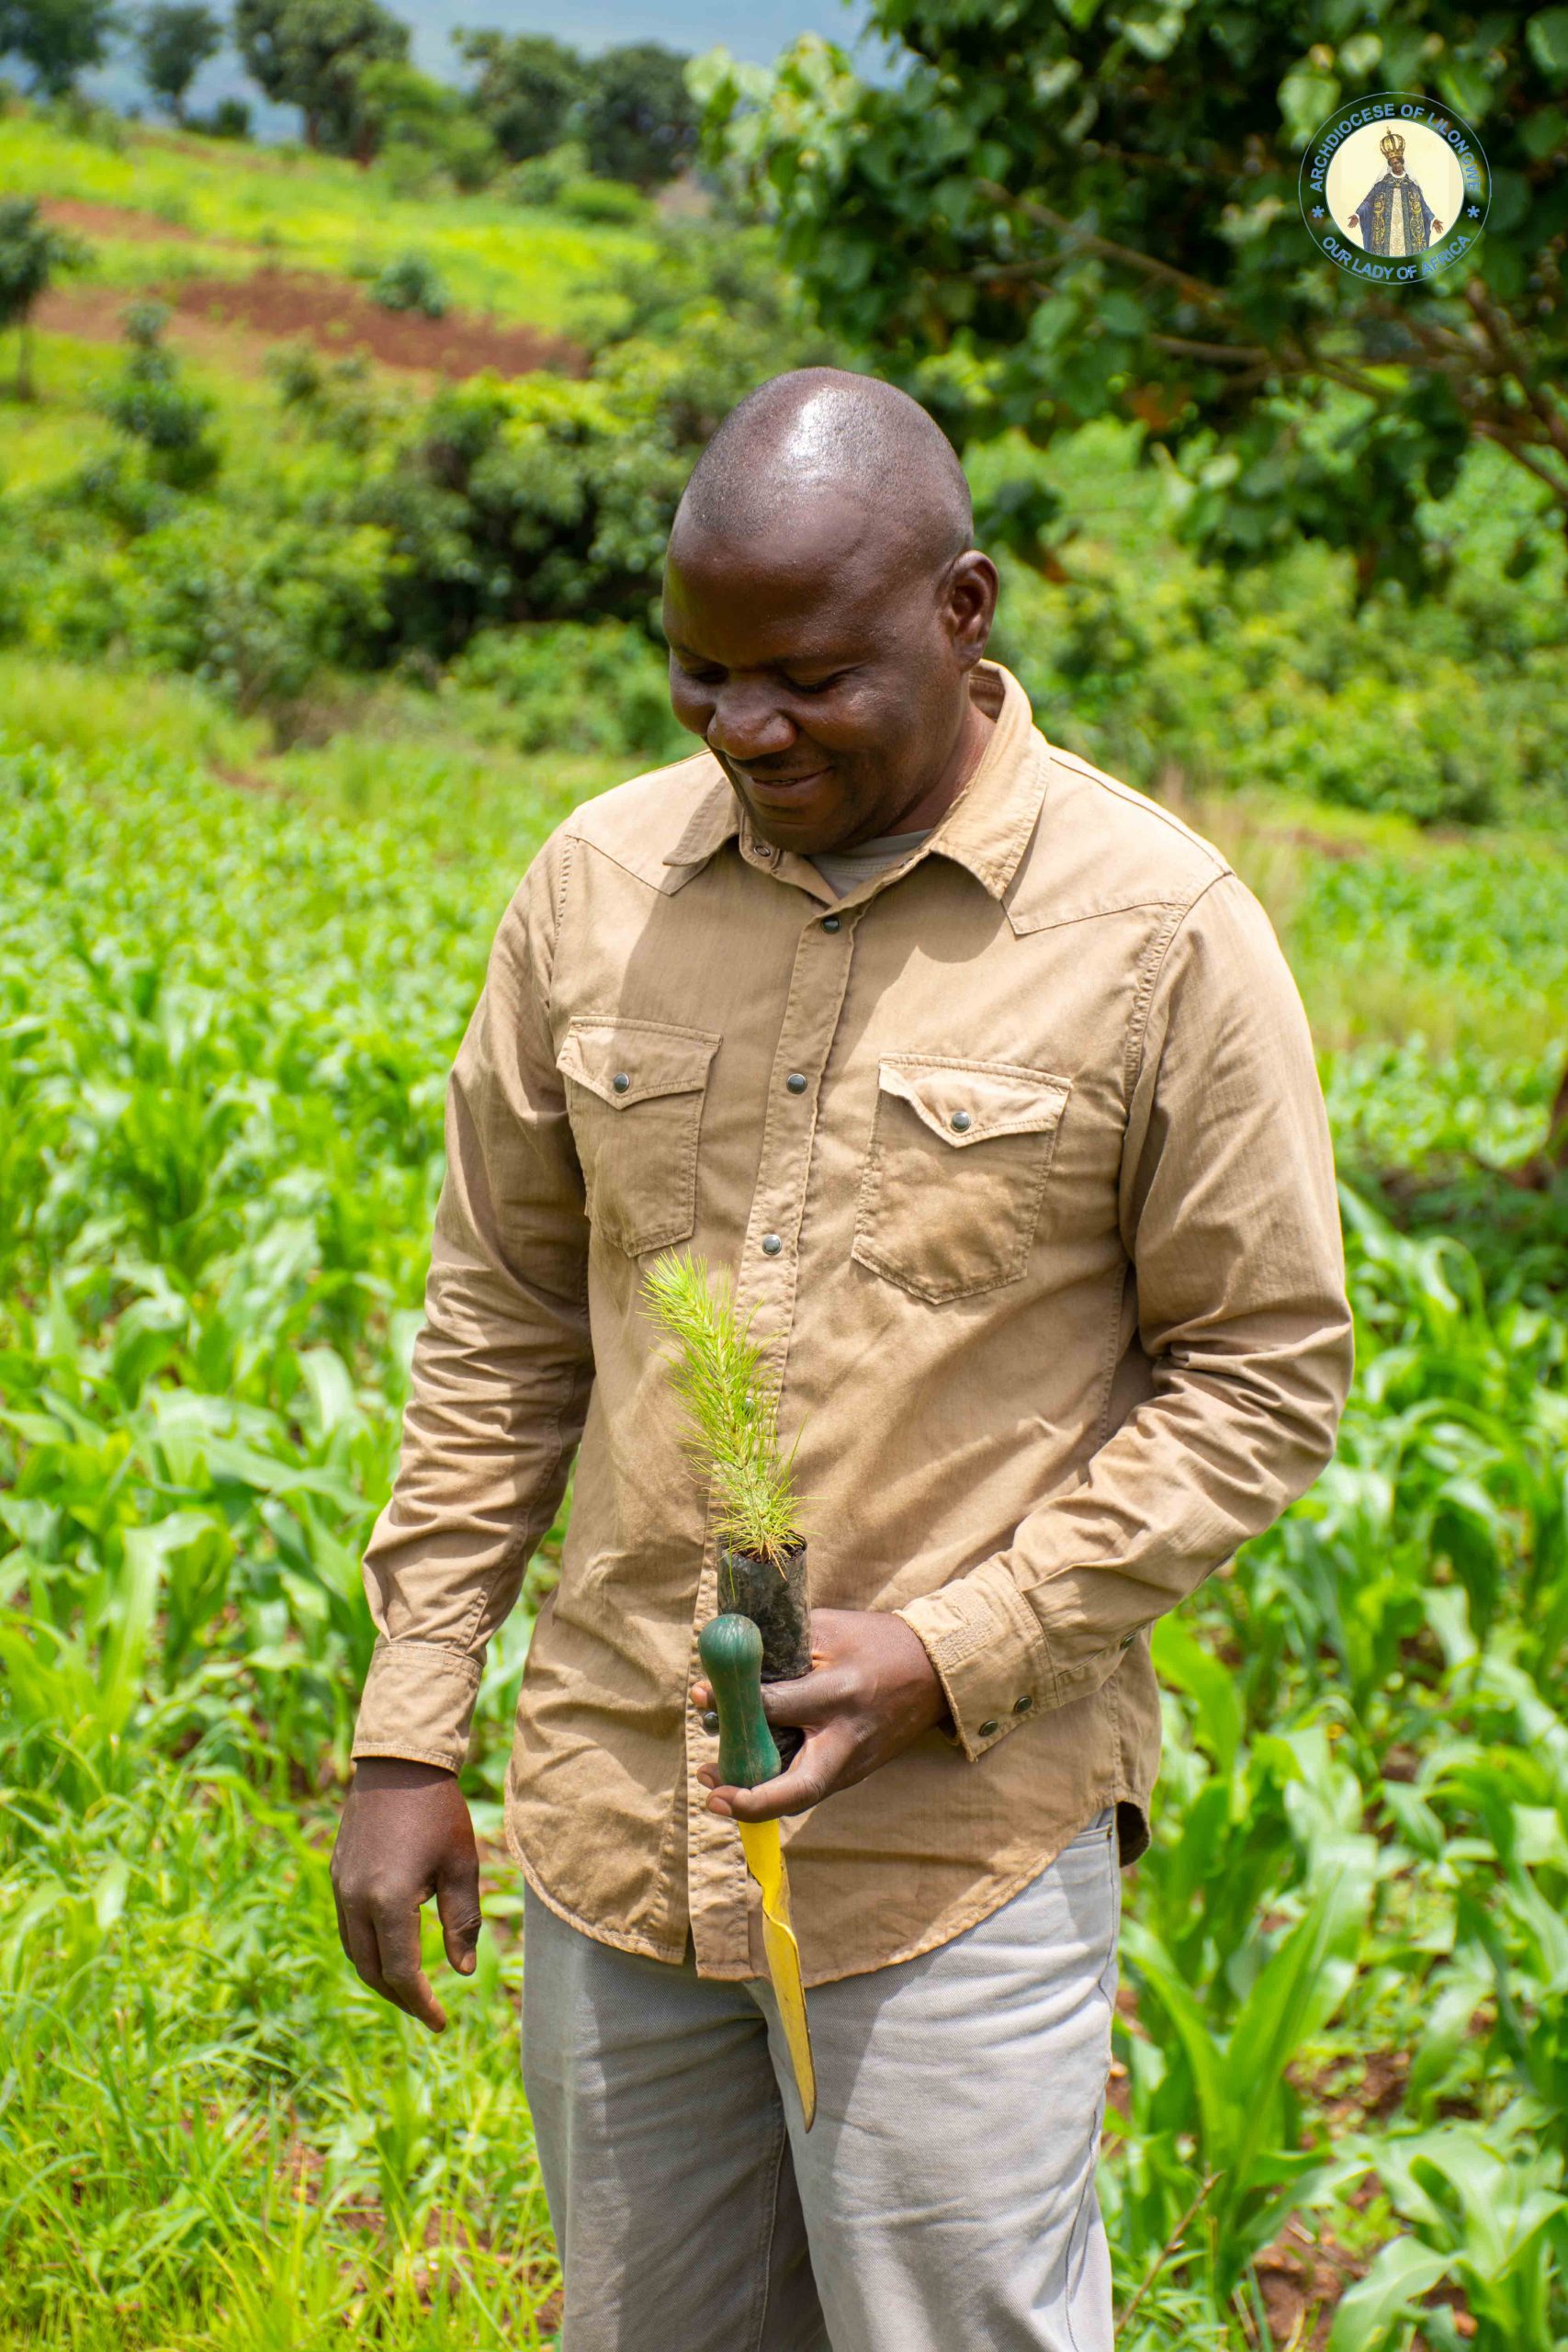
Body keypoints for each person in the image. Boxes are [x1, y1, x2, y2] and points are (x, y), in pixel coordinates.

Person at [331, 368, 1353, 2351]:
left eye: (800, 674)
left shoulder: (1157, 929)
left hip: (948, 1854)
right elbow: (503, 1323)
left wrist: (951, 1648)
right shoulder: (596, 888)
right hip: (620, 1821)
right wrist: (403, 1724)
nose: (743, 728)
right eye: (696, 677)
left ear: (960, 613)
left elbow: (1258, 1369)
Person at [1348, 126, 1444, 254]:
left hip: (1408, 234)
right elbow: (1368, 201)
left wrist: (1433, 220)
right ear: (1390, 165)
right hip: (1385, 233)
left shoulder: (1411, 185)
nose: (1396, 165)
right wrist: (1357, 215)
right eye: (1393, 163)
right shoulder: (1382, 184)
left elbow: (1423, 206)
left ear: (1402, 162)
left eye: (1398, 162)